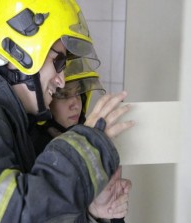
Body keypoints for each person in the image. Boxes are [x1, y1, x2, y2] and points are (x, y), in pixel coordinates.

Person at [0, 0, 134, 222]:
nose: (60, 81)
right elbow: (9, 216)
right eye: (57, 62)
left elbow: (36, 211)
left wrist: (93, 213)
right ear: (22, 53)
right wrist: (85, 149)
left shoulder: (13, 124)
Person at [30, 68, 132, 222]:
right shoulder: (31, 153)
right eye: (64, 94)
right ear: (47, 98)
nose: (75, 104)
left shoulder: (95, 148)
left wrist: (102, 215)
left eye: (78, 93)